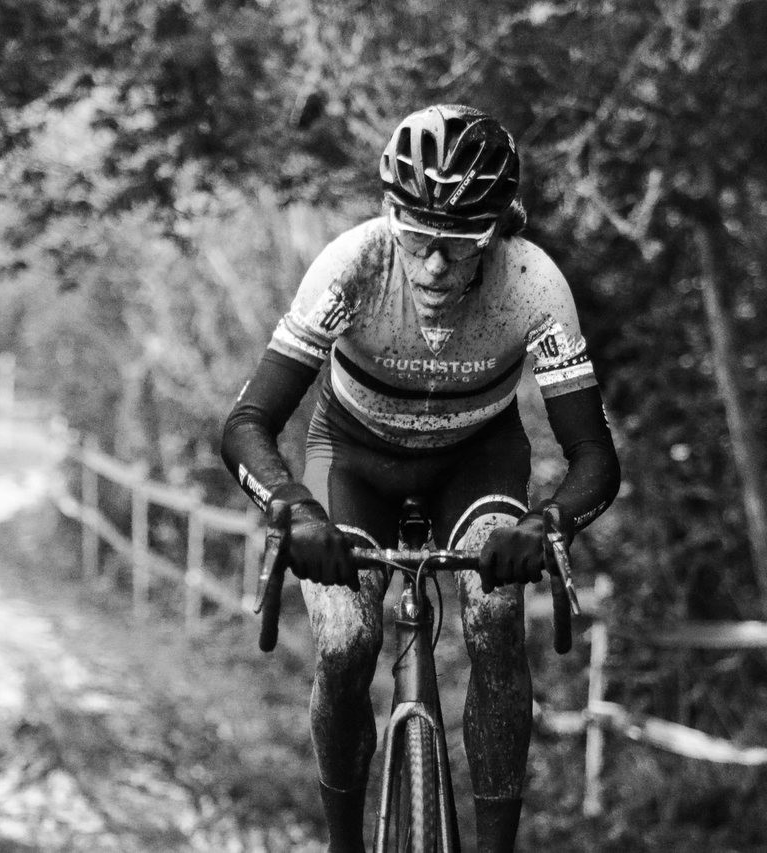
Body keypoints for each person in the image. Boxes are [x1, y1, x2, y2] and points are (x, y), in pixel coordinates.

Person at [221, 104, 620, 852]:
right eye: (417, 235)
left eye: (462, 242)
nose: (435, 263)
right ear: (388, 212)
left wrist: (548, 523)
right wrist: (293, 509)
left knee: (497, 615)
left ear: (501, 227)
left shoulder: (533, 281)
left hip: (476, 461)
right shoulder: (352, 266)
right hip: (353, 461)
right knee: (344, 641)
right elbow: (246, 424)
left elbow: (594, 456)